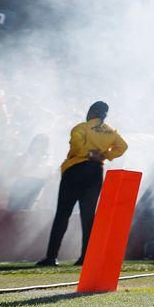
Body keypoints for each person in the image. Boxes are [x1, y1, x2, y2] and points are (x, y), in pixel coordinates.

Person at [36, 101, 127, 266]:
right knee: (88, 216)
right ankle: (86, 257)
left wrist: (88, 153)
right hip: (96, 173)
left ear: (91, 112)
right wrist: (105, 155)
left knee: (63, 214)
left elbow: (76, 145)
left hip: (75, 170)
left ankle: (51, 257)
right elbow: (123, 147)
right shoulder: (111, 131)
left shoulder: (81, 127)